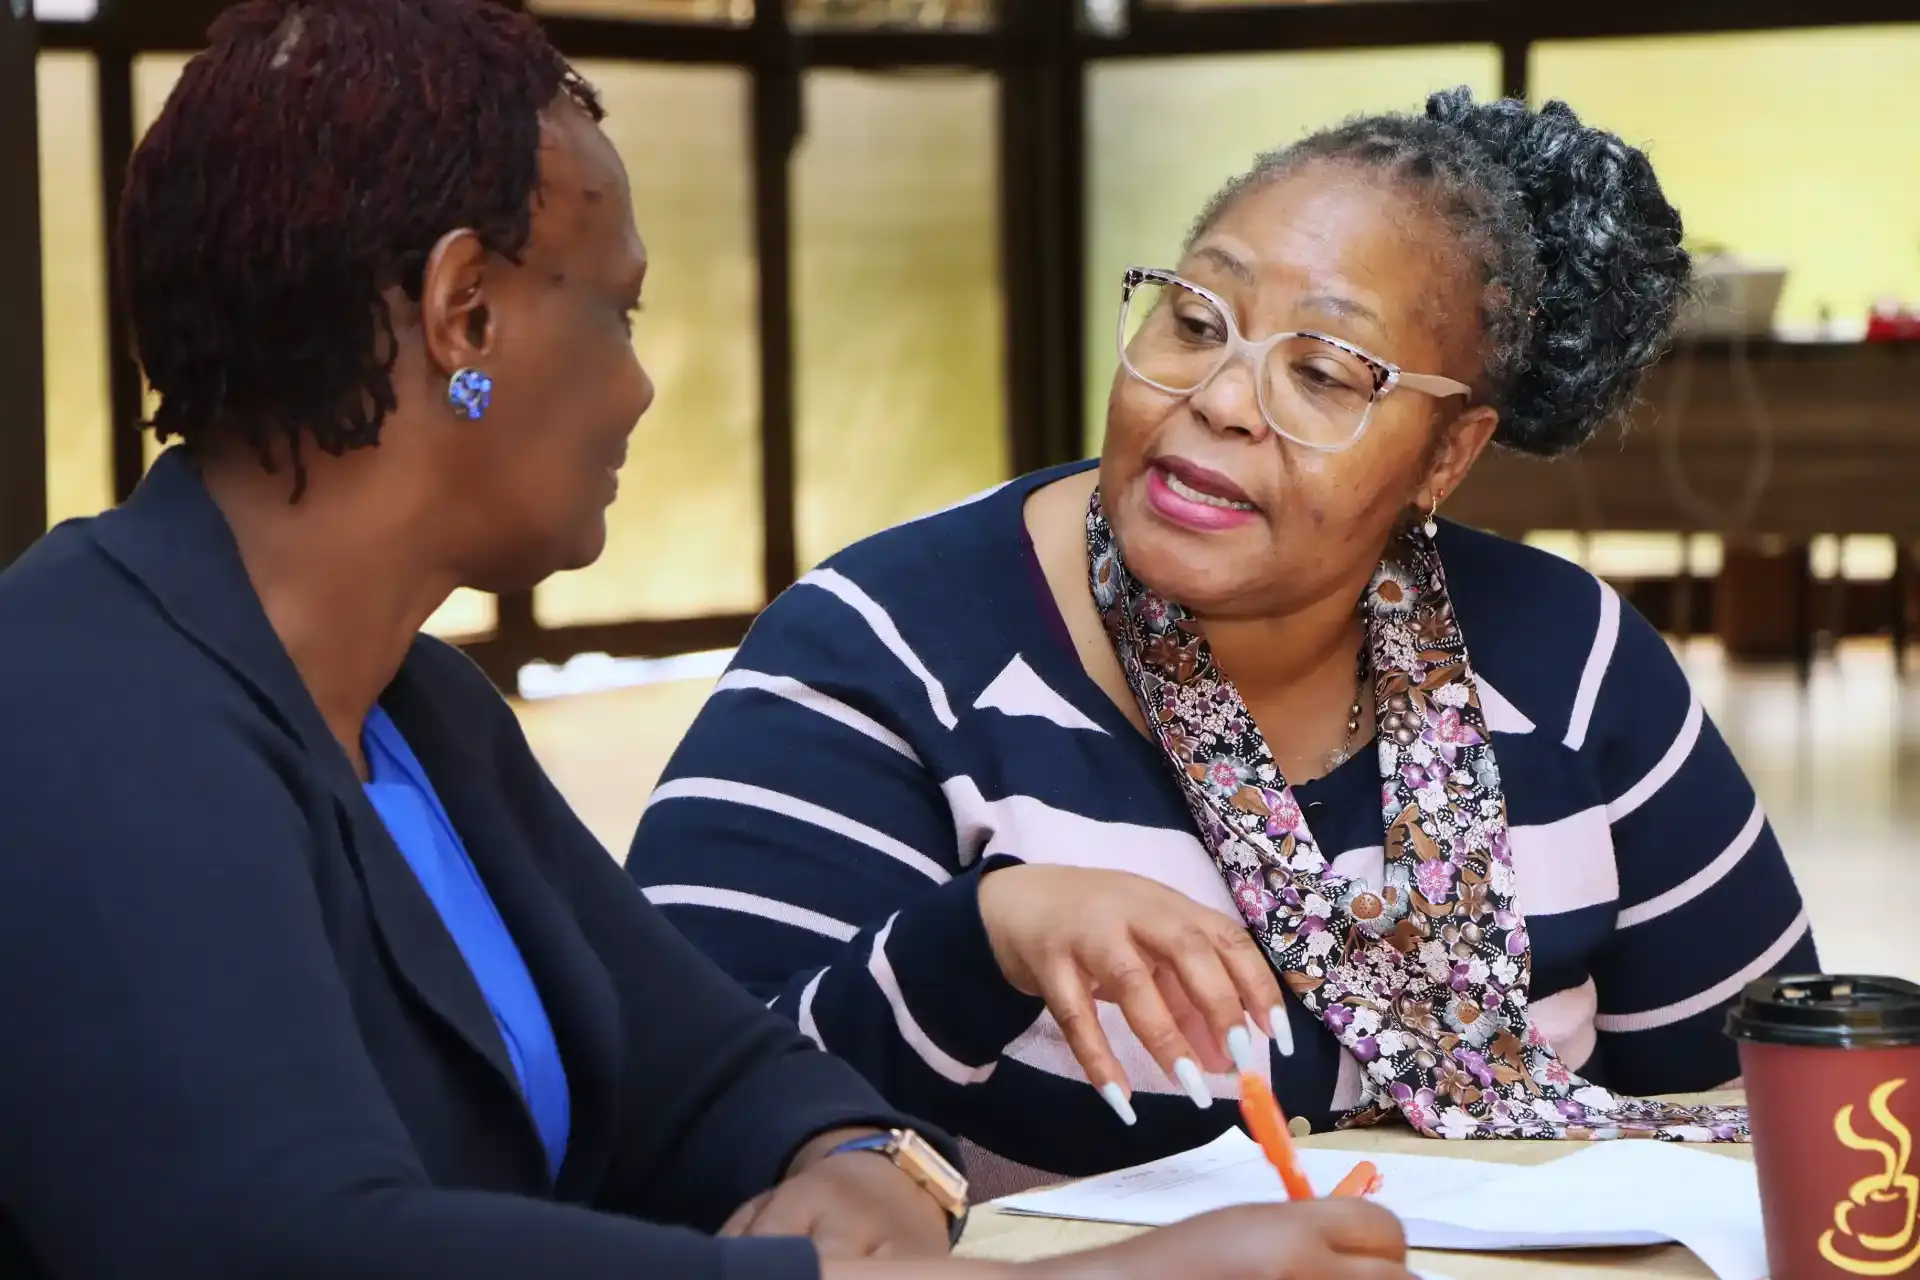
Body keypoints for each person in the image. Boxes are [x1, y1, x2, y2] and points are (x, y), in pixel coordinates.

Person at [0, 3, 1414, 1278]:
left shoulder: (419, 710)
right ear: (463, 313)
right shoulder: (76, 709)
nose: (640, 385)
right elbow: (289, 1244)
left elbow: (717, 1073)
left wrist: (863, 1164)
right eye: (615, 311)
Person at [627, 89, 1818, 1194]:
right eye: (1196, 319)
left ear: (1448, 455)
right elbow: (681, 1122)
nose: (1222, 398)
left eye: (1320, 371)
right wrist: (979, 941)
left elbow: (1775, 1092)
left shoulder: (1574, 664)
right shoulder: (890, 649)